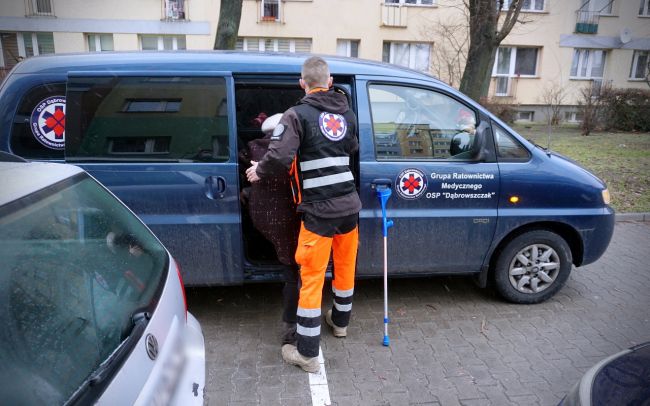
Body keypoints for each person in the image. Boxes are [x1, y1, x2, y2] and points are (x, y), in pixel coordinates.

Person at [246, 56, 361, 373]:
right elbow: (351, 147)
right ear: (330, 79)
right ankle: (340, 323)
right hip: (349, 205)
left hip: (320, 212)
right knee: (345, 268)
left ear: (302, 83)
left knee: (310, 280)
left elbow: (280, 156)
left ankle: (307, 354)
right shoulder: (346, 112)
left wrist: (259, 170)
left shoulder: (296, 115)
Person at [239, 113, 302, 346]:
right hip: (288, 219)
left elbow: (251, 185)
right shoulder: (290, 153)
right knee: (294, 271)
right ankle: (291, 328)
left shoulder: (253, 150)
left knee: (288, 261)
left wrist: (247, 193)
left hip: (262, 219)